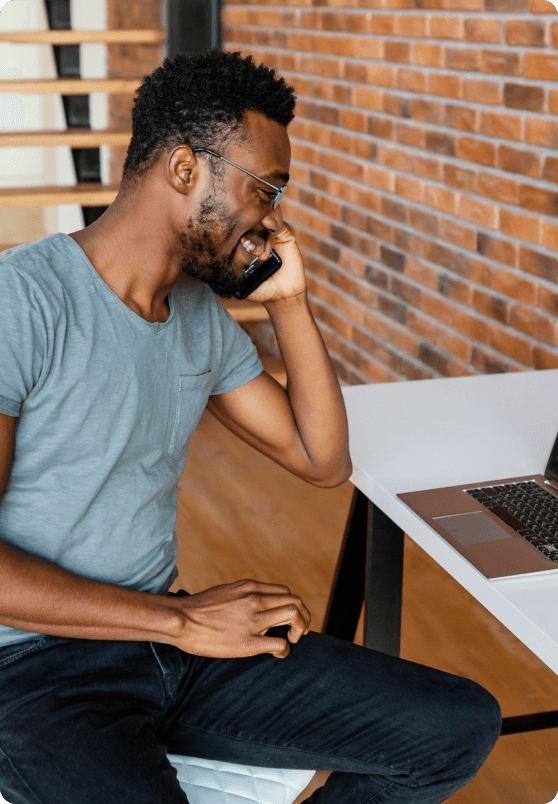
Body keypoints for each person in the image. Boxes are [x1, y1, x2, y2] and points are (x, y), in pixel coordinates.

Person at [0, 48, 501, 803]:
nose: (272, 218)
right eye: (266, 188)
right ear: (182, 170)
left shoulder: (197, 317)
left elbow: (321, 459)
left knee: (456, 725)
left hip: (166, 642)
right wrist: (182, 622)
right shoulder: (22, 301)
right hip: (32, 673)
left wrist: (289, 302)